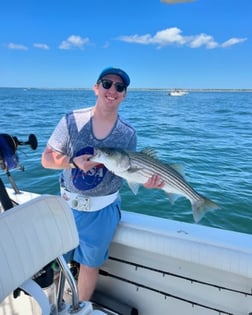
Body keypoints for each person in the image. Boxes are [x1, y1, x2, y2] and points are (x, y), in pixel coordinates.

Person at [41, 67, 164, 301]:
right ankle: (48, 304)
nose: (112, 90)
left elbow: (127, 170)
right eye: (107, 83)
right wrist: (72, 162)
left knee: (89, 265)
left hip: (102, 211)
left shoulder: (127, 133)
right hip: (66, 207)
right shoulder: (71, 120)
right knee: (56, 261)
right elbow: (46, 159)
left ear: (124, 95)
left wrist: (146, 182)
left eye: (120, 87)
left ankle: (80, 307)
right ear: (96, 87)